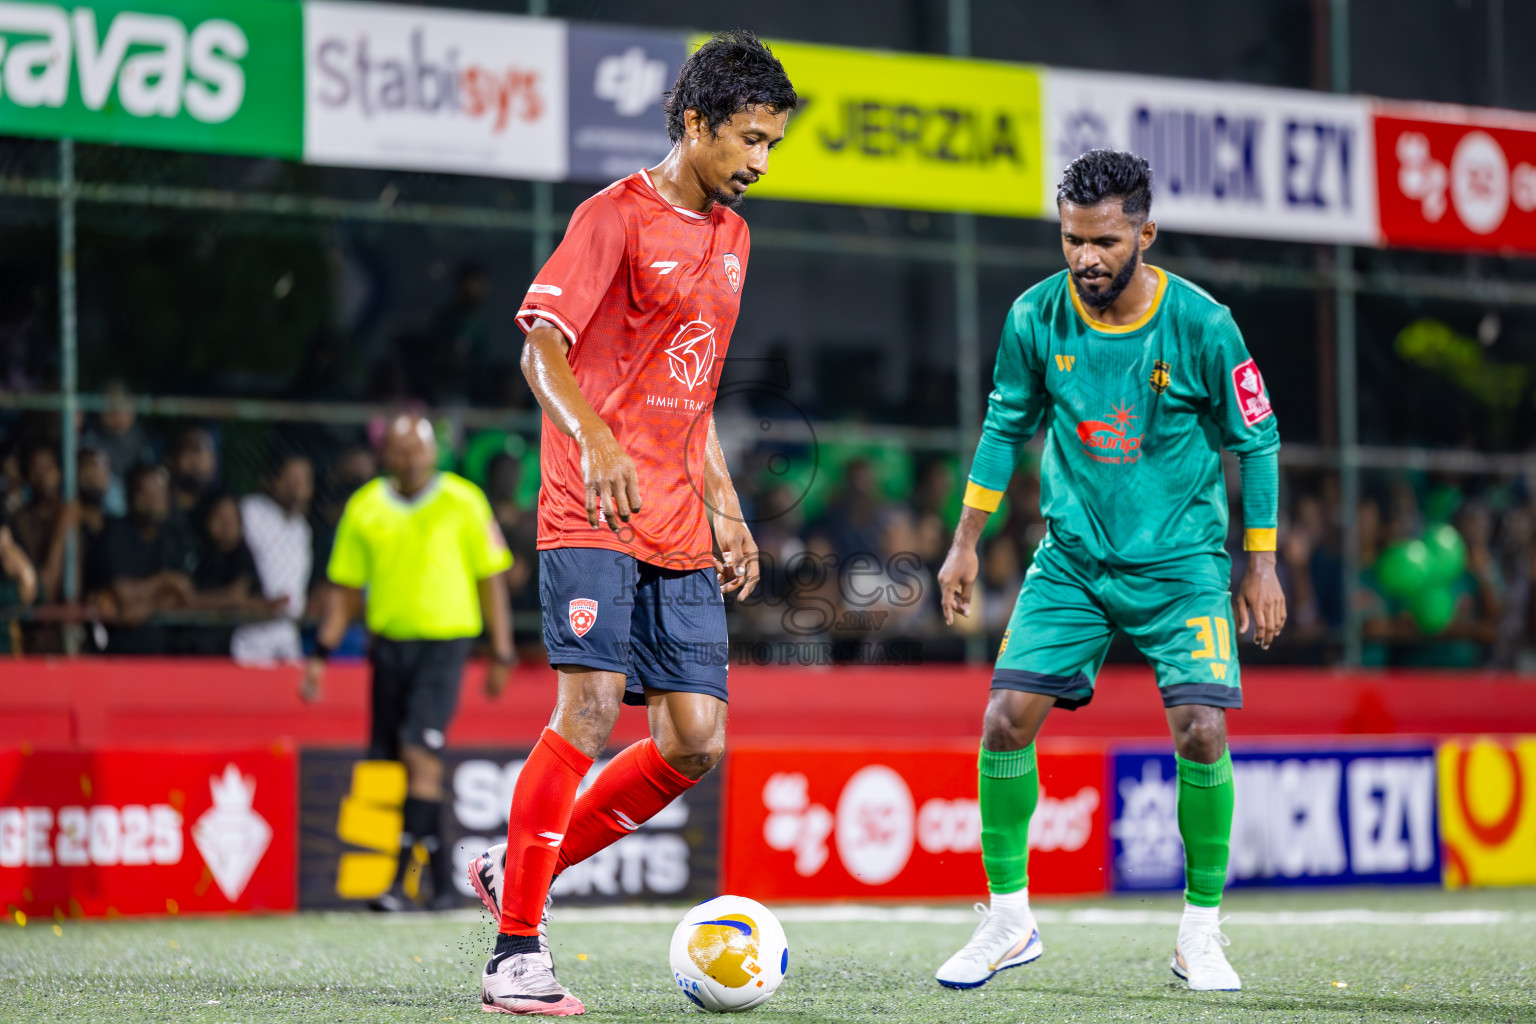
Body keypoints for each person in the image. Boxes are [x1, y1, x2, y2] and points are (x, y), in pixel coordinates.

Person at [467, 31, 797, 1015]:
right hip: (591, 502)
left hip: (680, 519)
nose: (759, 162)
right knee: (589, 705)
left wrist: (727, 505)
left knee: (696, 742)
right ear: (694, 125)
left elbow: (689, 391)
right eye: (747, 138)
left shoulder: (735, 240)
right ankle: (515, 952)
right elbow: (540, 352)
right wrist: (598, 443)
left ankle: (513, 864)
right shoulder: (612, 215)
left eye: (772, 144)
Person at [933, 150, 1285, 993]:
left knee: (1202, 729)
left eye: (1103, 240)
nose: (1085, 258)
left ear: (1144, 233)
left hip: (1183, 568)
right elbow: (1002, 428)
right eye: (1070, 240)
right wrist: (965, 539)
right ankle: (1009, 921)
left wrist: (1261, 565)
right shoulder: (1034, 318)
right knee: (1005, 719)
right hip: (1074, 561)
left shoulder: (1203, 323)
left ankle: (1200, 933)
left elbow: (1257, 440)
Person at [301, 413, 513, 912]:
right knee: (404, 761)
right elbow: (347, 591)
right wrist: (320, 655)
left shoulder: (464, 500)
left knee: (419, 751)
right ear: (385, 455)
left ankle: (401, 881)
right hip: (389, 647)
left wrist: (500, 650)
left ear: (433, 452)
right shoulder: (365, 507)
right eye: (400, 450)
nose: (411, 459)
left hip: (445, 644)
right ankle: (441, 885)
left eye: (418, 449)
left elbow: (491, 578)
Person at [86, 463, 198, 652]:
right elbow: (123, 594)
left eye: (159, 491)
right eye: (146, 492)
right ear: (130, 496)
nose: (154, 499)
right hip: (121, 648)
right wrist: (164, 580)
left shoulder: (174, 537)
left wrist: (149, 606)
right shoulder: (115, 534)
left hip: (170, 650)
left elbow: (185, 593)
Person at [234, 453, 315, 666]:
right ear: (274, 480)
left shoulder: (302, 530)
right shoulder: (252, 510)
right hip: (251, 629)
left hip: (288, 633)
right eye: (292, 479)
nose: (298, 486)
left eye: (304, 480)